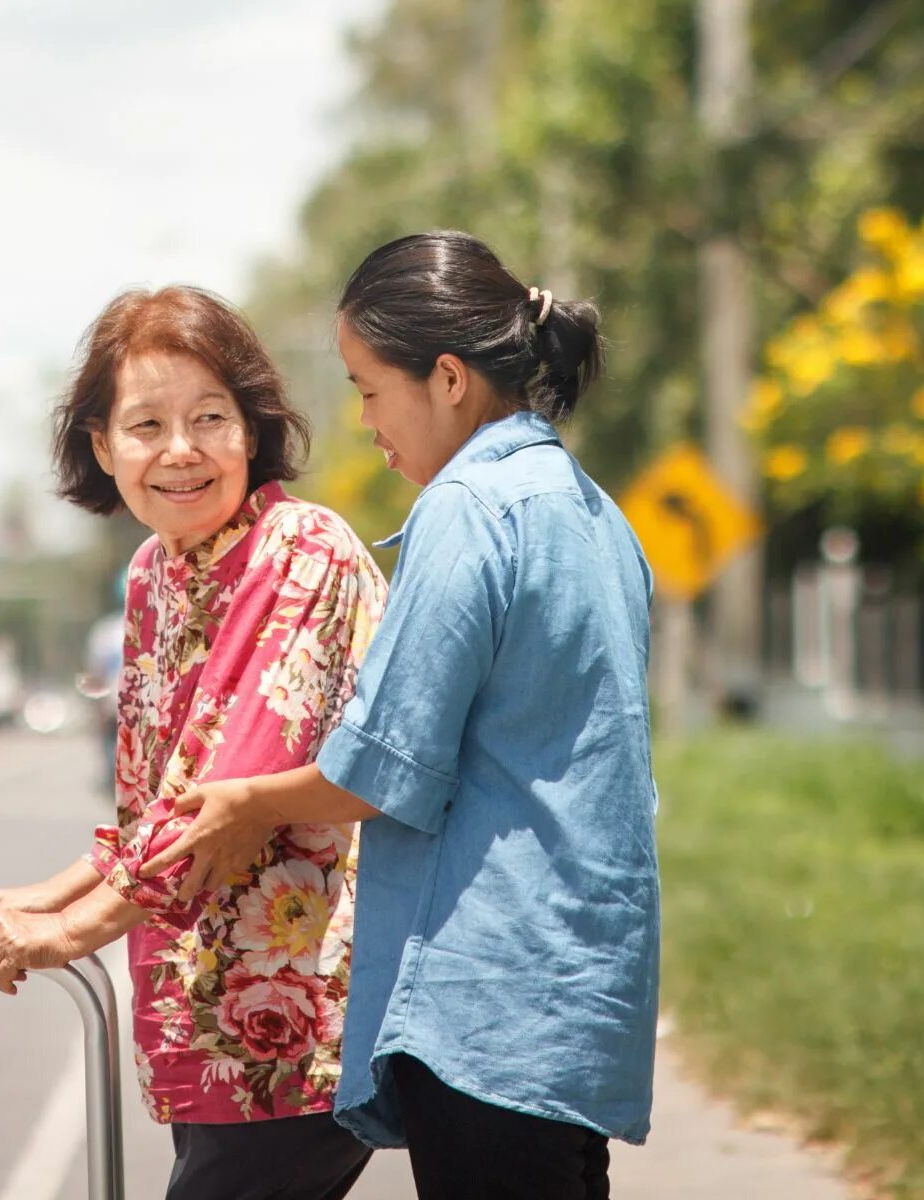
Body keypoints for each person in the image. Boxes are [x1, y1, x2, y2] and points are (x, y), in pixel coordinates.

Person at [142, 231, 660, 1200]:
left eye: (371, 388)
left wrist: (243, 801)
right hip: (577, 996)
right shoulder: (594, 510)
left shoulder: (469, 509)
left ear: (450, 380)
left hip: (485, 1005)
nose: (368, 422)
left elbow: (381, 767)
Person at [0, 286, 388, 1199]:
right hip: (198, 1005)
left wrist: (68, 932)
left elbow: (221, 800)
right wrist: (43, 894)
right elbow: (156, 802)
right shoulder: (154, 572)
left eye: (210, 418)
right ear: (104, 448)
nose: (180, 451)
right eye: (146, 425)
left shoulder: (300, 551)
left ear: (252, 431)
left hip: (303, 1014)